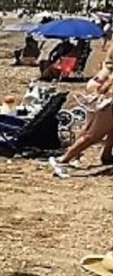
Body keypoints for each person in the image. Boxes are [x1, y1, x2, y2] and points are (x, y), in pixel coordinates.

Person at [49, 40, 113, 175]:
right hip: (109, 95)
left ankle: (106, 156)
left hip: (102, 87)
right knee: (93, 134)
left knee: (95, 130)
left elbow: (108, 68)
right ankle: (63, 160)